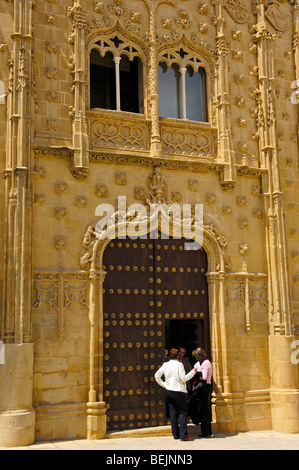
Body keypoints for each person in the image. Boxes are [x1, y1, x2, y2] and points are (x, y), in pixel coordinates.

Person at [155, 348, 197, 441]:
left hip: (169, 391)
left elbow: (157, 376)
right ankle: (183, 435)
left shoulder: (165, 365)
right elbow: (183, 378)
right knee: (183, 412)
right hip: (179, 391)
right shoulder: (179, 365)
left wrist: (164, 385)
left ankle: (176, 434)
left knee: (173, 412)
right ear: (177, 356)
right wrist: (193, 372)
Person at [192, 348, 213, 438]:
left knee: (203, 409)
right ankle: (207, 431)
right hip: (207, 386)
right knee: (205, 409)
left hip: (204, 387)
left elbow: (204, 377)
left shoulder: (204, 363)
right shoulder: (207, 362)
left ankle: (205, 432)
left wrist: (196, 377)